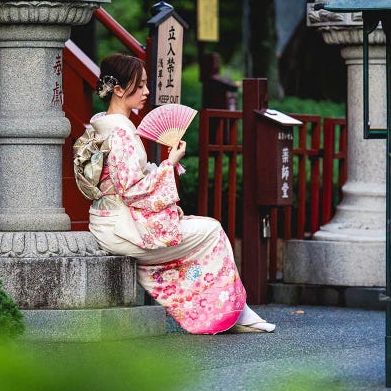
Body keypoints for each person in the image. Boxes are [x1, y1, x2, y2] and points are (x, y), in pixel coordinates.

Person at [73, 53, 275, 335]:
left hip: (108, 220)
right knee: (212, 230)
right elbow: (132, 190)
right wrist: (169, 163)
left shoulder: (101, 126)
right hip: (122, 228)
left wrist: (162, 169)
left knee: (200, 228)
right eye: (140, 85)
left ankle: (234, 310)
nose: (146, 92)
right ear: (118, 89)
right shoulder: (121, 134)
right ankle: (230, 311)